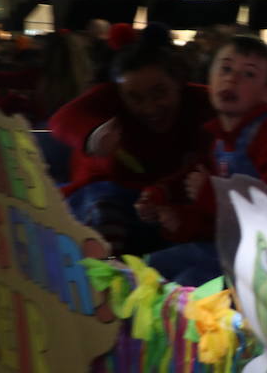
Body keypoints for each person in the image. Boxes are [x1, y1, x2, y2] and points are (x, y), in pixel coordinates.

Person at [140, 36, 267, 285]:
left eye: (248, 74)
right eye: (226, 69)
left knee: (183, 289)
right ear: (210, 78)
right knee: (145, 270)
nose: (232, 79)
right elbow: (201, 199)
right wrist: (168, 204)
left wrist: (211, 196)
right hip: (225, 249)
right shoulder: (218, 137)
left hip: (265, 265)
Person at [51, 42, 215, 254]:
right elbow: (61, 120)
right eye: (135, 98)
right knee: (104, 209)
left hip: (170, 210)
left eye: (159, 93)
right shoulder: (110, 96)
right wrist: (93, 136)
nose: (149, 107)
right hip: (107, 202)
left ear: (179, 83)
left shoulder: (204, 102)